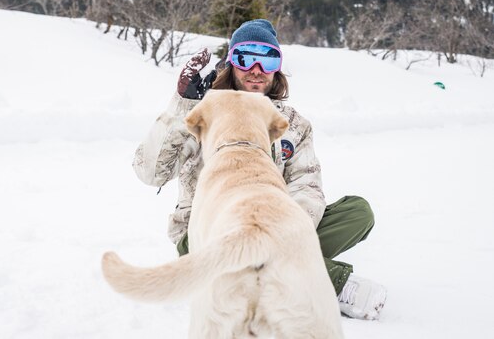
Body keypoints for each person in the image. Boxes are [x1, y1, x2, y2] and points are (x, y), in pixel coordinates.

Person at [132, 19, 387, 320]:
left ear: (276, 68)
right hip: (206, 232)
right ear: (231, 63)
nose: (256, 69)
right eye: (245, 58)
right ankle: (326, 283)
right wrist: (182, 106)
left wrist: (276, 235)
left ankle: (255, 273)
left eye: (267, 59)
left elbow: (307, 187)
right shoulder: (204, 112)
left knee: (358, 212)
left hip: (275, 227)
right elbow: (151, 173)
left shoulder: (293, 123)